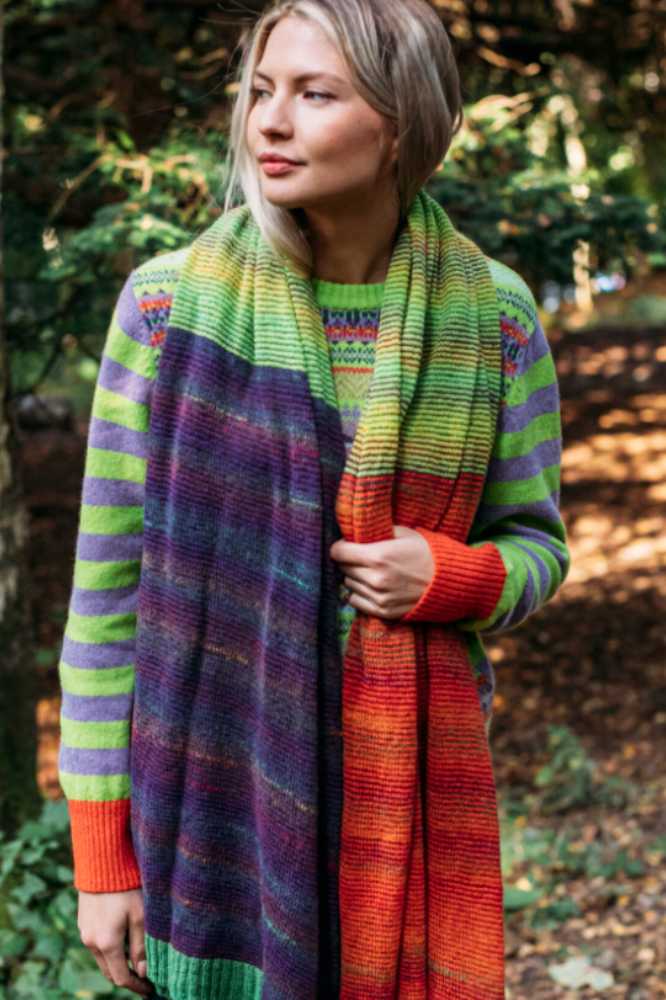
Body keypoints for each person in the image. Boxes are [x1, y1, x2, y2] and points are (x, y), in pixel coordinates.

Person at [57, 1, 570, 998]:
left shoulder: (497, 318)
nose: (270, 121)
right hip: (213, 810)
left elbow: (537, 546)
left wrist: (454, 578)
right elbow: (107, 599)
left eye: (315, 94)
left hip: (402, 799)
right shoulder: (165, 310)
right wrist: (102, 858)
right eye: (261, 90)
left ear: (402, 124)